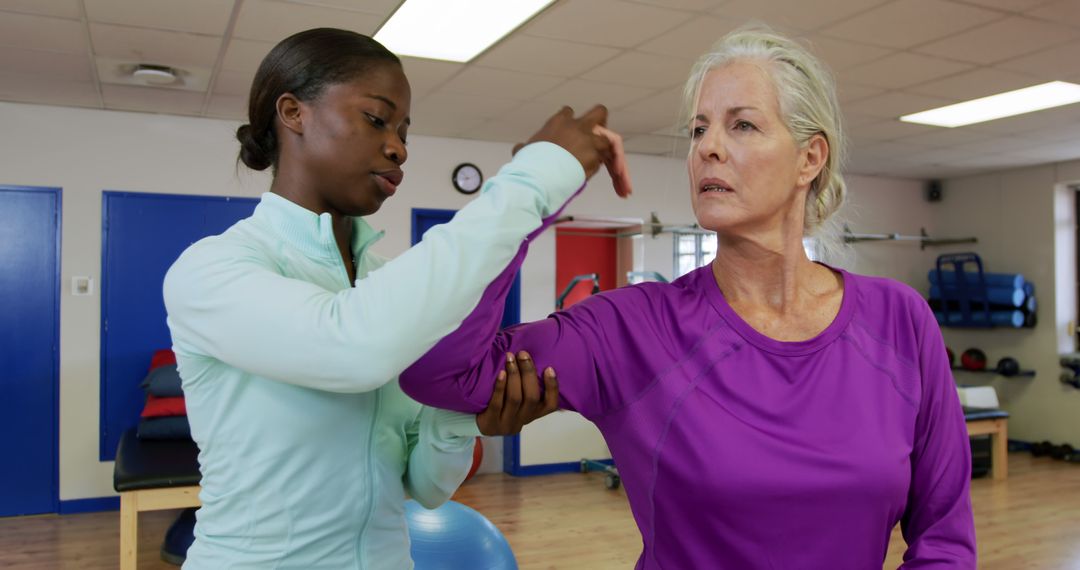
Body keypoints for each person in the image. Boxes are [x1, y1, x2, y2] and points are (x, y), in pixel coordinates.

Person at [400, 26, 977, 569]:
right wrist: (528, 191)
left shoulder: (899, 319)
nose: (708, 148)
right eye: (699, 129)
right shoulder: (632, 329)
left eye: (742, 126)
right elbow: (440, 372)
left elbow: (945, 538)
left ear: (810, 158)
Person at [163, 28, 630, 569]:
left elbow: (425, 487)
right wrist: (534, 180)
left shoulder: (384, 286)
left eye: (405, 131)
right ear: (293, 112)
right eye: (377, 119)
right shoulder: (212, 269)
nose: (398, 147)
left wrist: (463, 421)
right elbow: (350, 347)